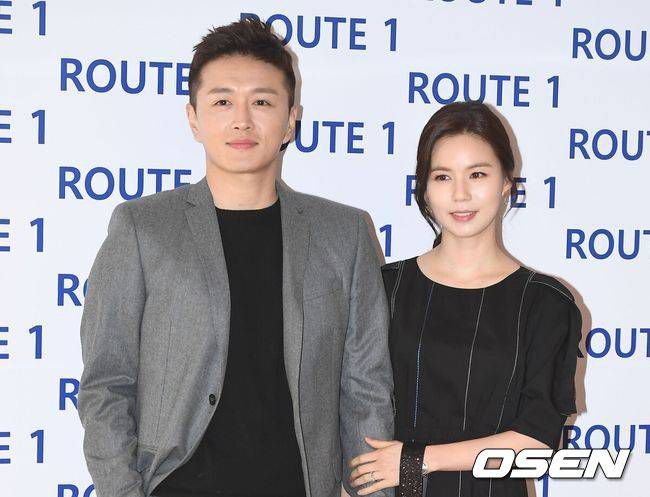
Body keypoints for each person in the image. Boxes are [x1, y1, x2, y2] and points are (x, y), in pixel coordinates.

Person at [77, 18, 394, 497]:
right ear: (193, 118)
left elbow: (365, 388)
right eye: (222, 101)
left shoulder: (343, 234)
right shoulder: (143, 228)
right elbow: (106, 383)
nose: (242, 120)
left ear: (291, 119)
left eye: (262, 102)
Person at [347, 101, 582, 496]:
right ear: (424, 188)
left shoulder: (546, 304)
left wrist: (416, 460)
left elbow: (538, 442)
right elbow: (351, 410)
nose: (460, 194)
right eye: (442, 177)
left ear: (506, 181)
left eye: (477, 174)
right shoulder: (384, 288)